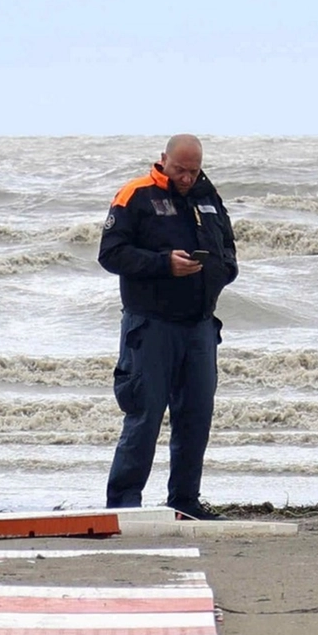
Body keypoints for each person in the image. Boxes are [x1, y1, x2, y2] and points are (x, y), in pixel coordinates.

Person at [98, 134, 237, 520]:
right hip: (151, 326)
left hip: (200, 327)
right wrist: (164, 264)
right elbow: (110, 253)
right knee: (144, 416)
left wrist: (219, 271)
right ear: (163, 160)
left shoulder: (209, 197)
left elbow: (229, 249)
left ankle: (184, 502)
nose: (187, 178)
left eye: (193, 170)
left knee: (195, 417)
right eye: (180, 170)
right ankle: (124, 505)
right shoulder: (135, 194)